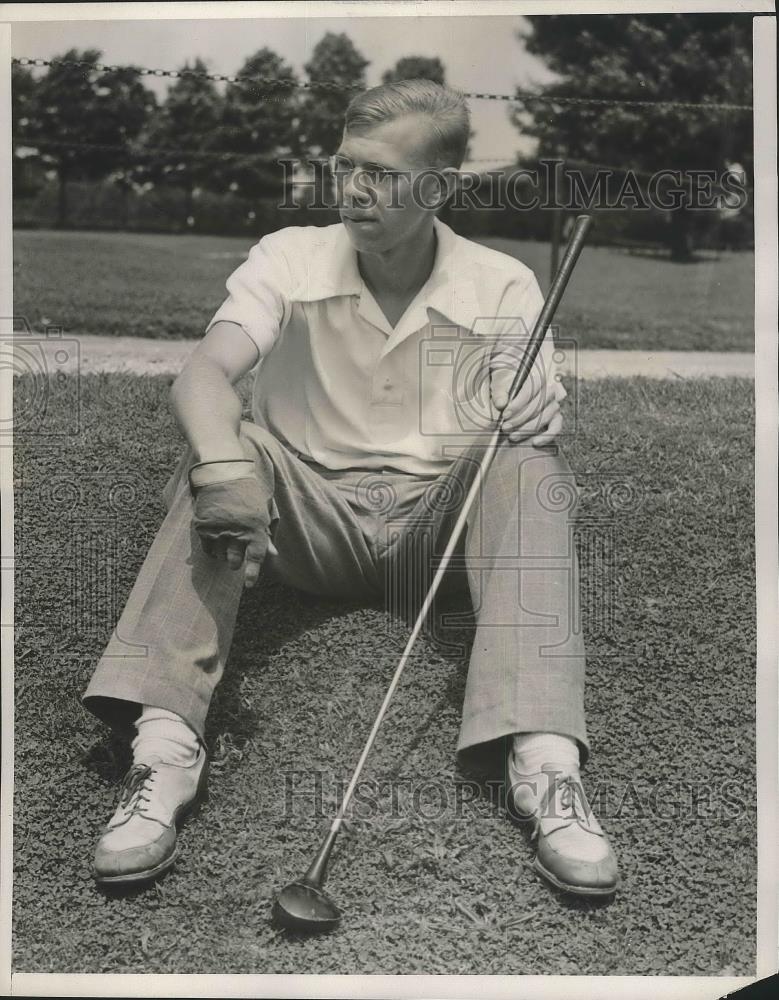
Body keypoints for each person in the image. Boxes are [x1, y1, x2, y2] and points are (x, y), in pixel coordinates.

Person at [84, 80, 619, 898]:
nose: (353, 189)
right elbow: (205, 373)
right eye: (344, 166)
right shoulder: (287, 254)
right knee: (221, 450)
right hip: (301, 518)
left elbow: (530, 405)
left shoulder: (503, 280)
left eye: (381, 173)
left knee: (530, 465)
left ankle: (542, 762)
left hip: (433, 536)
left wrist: (537, 407)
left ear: (437, 189)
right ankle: (163, 748)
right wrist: (222, 466)